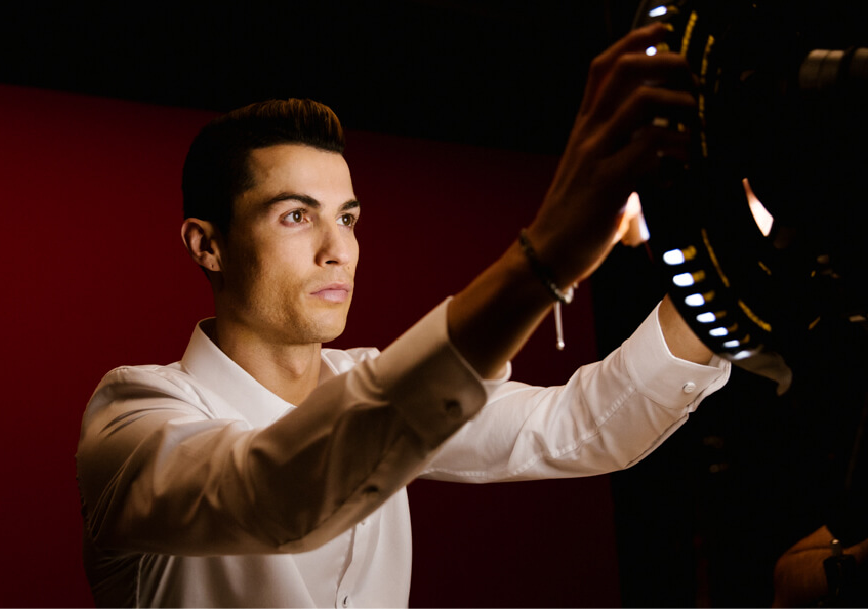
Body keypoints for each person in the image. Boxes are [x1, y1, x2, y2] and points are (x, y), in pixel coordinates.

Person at [76, 23, 731, 607]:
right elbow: (275, 492)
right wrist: (542, 260)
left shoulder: (382, 381)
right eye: (296, 216)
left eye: (349, 218)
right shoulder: (133, 418)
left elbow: (583, 426)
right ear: (206, 244)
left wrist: (731, 266)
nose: (339, 251)